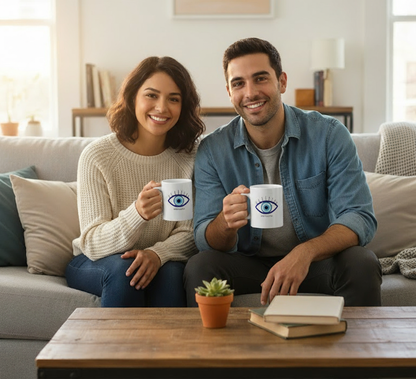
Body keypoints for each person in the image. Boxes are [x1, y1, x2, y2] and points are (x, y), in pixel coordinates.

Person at [184, 37, 382, 307]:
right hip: (248, 264)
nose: (251, 93)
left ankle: (357, 349)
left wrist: (305, 252)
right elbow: (204, 237)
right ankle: (215, 350)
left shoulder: (329, 134)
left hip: (314, 263)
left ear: (282, 82)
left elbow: (359, 216)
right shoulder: (213, 149)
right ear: (230, 93)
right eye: (238, 83)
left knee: (362, 262)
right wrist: (225, 223)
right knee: (200, 267)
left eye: (261, 78)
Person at [66, 56, 205, 307]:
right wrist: (137, 214)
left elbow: (190, 233)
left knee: (172, 273)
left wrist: (157, 254)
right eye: (151, 95)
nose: (162, 108)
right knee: (126, 272)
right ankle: (119, 348)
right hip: (95, 261)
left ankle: (171, 348)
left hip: (162, 259)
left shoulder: (190, 157)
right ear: (132, 98)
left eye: (173, 99)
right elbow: (93, 243)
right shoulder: (97, 156)